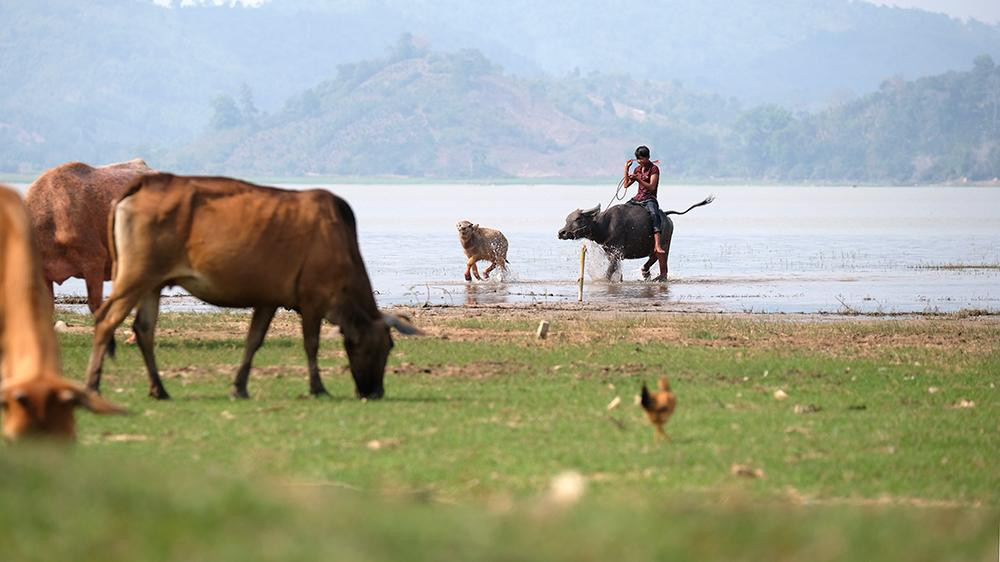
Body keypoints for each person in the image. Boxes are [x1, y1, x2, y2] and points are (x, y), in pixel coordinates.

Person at [623, 145, 666, 256]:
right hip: (638, 198)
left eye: (641, 159)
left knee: (654, 215)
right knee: (622, 211)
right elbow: (626, 185)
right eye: (638, 159)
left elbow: (652, 187)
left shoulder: (654, 169)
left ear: (647, 157)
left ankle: (657, 245)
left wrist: (638, 179)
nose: (639, 161)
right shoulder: (637, 169)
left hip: (649, 199)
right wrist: (626, 169)